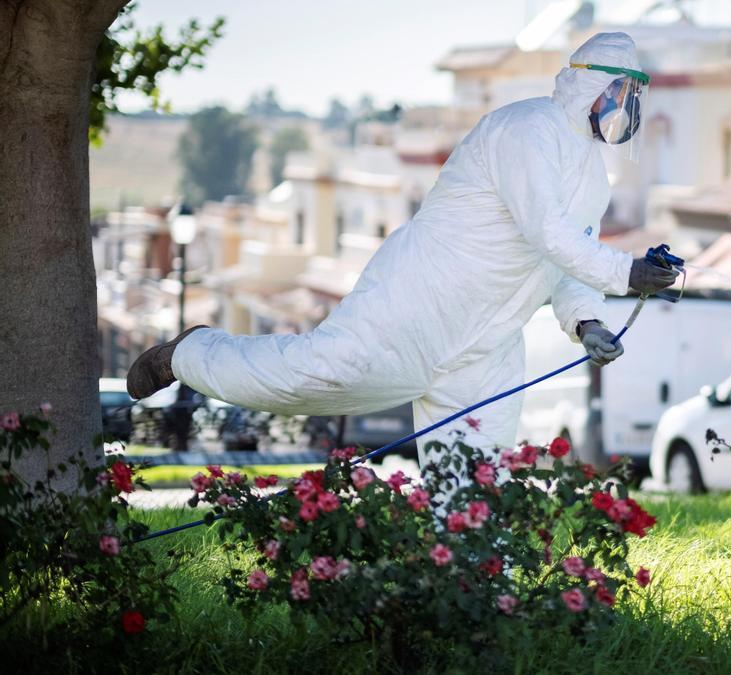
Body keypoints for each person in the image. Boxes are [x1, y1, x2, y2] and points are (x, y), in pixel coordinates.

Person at [126, 32, 678, 463]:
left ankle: (479, 595)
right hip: (415, 307)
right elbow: (546, 231)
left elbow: (567, 261)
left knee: (477, 482)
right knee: (310, 380)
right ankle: (190, 354)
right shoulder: (526, 128)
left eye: (634, 96)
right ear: (589, 85)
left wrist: (586, 324)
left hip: (486, 344)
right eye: (620, 92)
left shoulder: (593, 177)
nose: (626, 107)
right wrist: (627, 273)